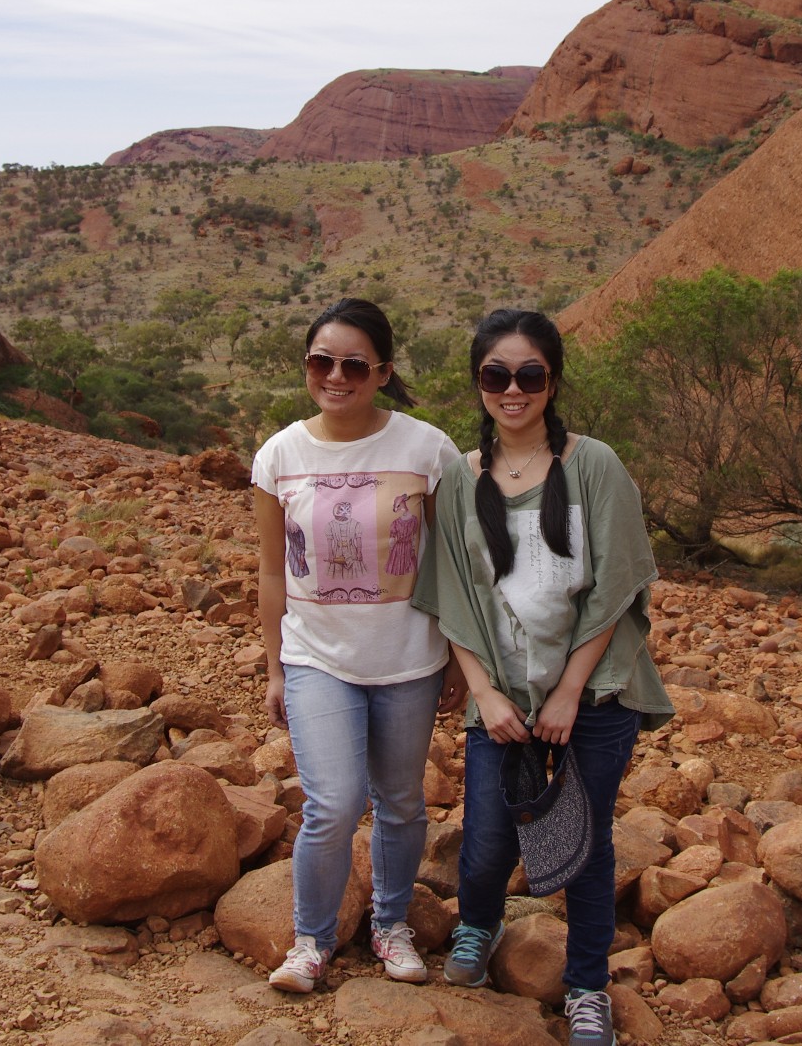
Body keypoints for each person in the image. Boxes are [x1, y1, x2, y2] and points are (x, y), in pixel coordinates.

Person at [414, 308, 671, 1046]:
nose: (513, 389)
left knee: (586, 843)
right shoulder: (461, 478)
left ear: (552, 381)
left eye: (530, 374)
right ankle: (480, 926)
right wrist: (486, 694)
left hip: (594, 691)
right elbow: (455, 595)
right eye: (497, 375)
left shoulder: (594, 464)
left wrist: (567, 691)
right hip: (501, 695)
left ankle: (587, 984)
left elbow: (615, 584)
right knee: (490, 839)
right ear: (479, 383)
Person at [252, 298, 465, 993]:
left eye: (352, 364)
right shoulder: (280, 454)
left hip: (409, 659)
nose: (334, 376)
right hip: (318, 658)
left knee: (402, 801)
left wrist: (463, 655)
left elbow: (453, 560)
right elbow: (269, 568)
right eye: (321, 361)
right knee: (334, 804)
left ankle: (391, 924)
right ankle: (310, 942)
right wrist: (275, 667)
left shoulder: (427, 448)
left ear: (383, 371)